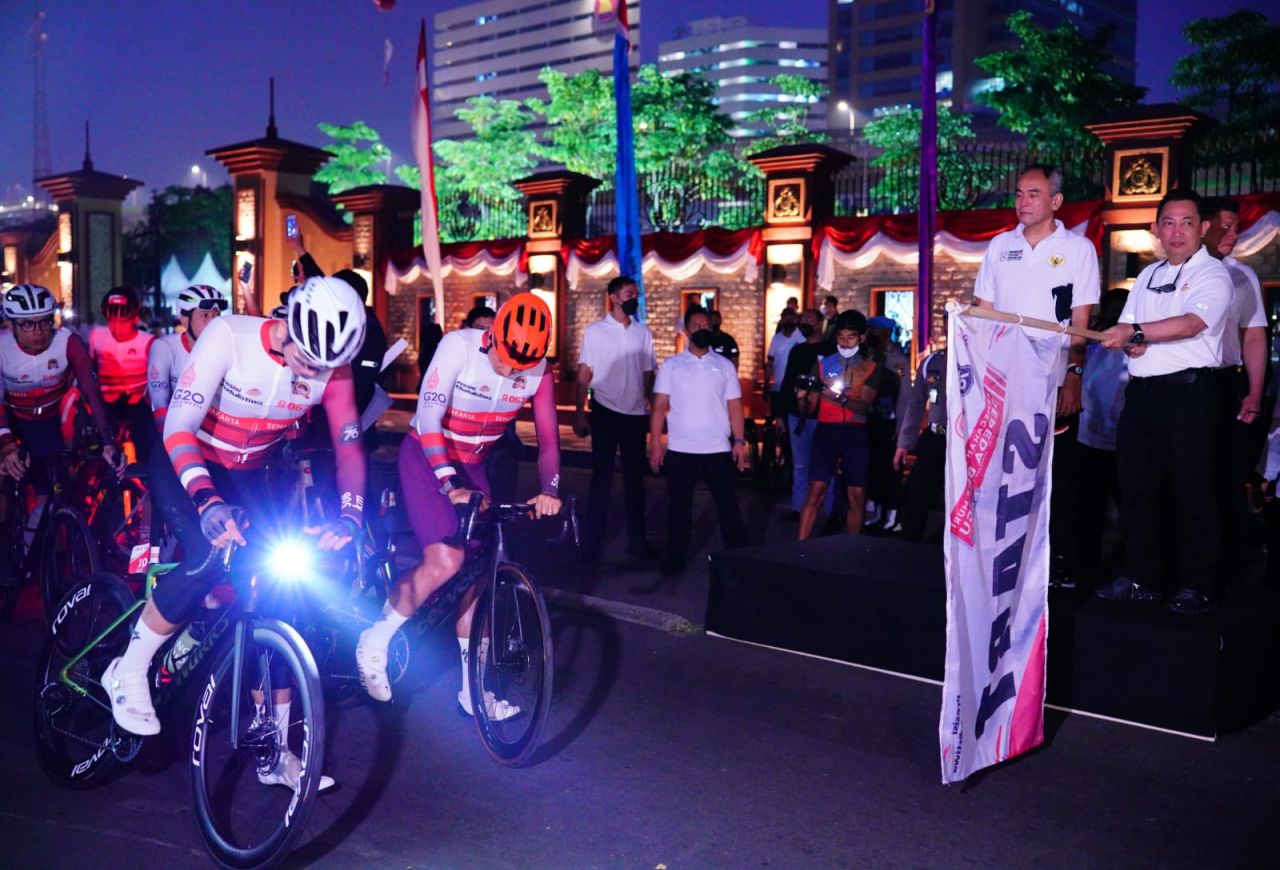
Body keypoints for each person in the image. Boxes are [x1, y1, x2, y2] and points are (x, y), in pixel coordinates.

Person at [101, 276, 368, 793]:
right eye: (307, 359)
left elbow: (350, 449)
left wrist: (351, 517)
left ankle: (275, 749)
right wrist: (207, 501)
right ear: (289, 327)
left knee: (284, 596)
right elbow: (177, 429)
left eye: (324, 367)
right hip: (189, 462)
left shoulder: (334, 368)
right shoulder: (227, 334)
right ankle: (128, 667)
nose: (312, 374)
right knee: (208, 556)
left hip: (250, 476)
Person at [356, 294, 561, 716]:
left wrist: (550, 489)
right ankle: (376, 638)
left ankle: (474, 691)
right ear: (492, 337)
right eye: (505, 360)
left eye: (522, 366)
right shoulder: (458, 347)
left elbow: (549, 441)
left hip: (474, 465)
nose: (511, 371)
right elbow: (428, 418)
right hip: (426, 457)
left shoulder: (538, 369)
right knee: (447, 560)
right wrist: (449, 484)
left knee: (479, 575)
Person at [1097, 189, 1232, 615]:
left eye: (1187, 222)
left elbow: (1192, 323)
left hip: (1190, 395)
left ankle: (1199, 585)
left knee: (1192, 489)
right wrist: (1131, 343)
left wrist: (1136, 332)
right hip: (1142, 397)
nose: (1176, 232)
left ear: (1203, 228)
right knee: (1136, 489)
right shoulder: (1149, 275)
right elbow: (1129, 331)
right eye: (1168, 223)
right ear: (1155, 230)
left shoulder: (1214, 274)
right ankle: (1142, 577)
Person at [974, 164, 1101, 589]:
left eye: (1032, 194)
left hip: (1050, 378)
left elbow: (1081, 320)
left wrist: (1074, 374)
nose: (1022, 202)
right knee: (1002, 467)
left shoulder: (1079, 249)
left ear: (1056, 202)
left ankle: (1057, 558)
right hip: (1003, 378)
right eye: (1018, 194)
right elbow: (983, 313)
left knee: (1053, 472)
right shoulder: (999, 246)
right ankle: (1001, 553)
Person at [0, 285, 118, 528]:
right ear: (11, 325)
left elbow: (91, 392)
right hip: (11, 419)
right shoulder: (2, 348)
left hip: (52, 419)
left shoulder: (68, 342)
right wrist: (7, 445)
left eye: (45, 322)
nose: (40, 332)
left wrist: (108, 442)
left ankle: (50, 538)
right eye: (28, 324)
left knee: (57, 486)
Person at [649, 306, 747, 575]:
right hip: (682, 448)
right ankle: (676, 558)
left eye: (706, 326)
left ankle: (738, 558)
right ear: (686, 330)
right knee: (679, 507)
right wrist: (656, 443)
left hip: (717, 447)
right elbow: (659, 407)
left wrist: (739, 441)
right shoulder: (672, 365)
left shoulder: (724, 366)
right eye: (696, 326)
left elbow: (735, 406)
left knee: (728, 505)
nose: (701, 330)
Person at [1201, 197, 1268, 583]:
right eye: (1224, 226)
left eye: (1236, 226)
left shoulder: (1242, 275)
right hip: (1176, 383)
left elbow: (1255, 335)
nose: (1233, 234)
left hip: (1225, 380)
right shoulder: (1171, 271)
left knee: (1225, 474)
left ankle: (1229, 566)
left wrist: (1255, 391)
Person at [575, 276, 657, 561]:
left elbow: (648, 373)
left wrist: (655, 410)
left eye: (636, 293)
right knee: (602, 479)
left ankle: (638, 542)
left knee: (636, 481)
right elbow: (585, 374)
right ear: (613, 296)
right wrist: (580, 412)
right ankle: (592, 544)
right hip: (605, 411)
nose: (634, 298)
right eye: (628, 293)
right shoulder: (595, 332)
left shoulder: (642, 333)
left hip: (635, 415)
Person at [797, 310, 881, 540]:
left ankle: (852, 548)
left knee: (857, 494)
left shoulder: (872, 366)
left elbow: (864, 406)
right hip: (827, 429)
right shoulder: (823, 364)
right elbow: (810, 409)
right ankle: (799, 548)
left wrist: (837, 397)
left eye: (850, 337)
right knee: (815, 492)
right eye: (841, 337)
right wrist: (802, 397)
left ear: (861, 337)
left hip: (856, 432)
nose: (845, 342)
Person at [1075, 289, 1129, 590]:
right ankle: (1086, 568)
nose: (1113, 316)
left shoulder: (1136, 350)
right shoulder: (1090, 349)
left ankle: (1132, 568)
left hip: (1125, 443)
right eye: (1110, 310)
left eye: (1119, 310)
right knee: (1089, 510)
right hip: (1090, 441)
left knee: (1131, 510)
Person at [147, 284, 227, 433]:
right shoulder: (164, 347)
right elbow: (159, 404)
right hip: (175, 430)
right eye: (204, 315)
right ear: (184, 319)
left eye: (216, 316)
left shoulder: (227, 347)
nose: (212, 322)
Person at [89, 287, 156, 459]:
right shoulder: (96, 337)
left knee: (146, 441)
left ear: (134, 318)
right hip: (107, 404)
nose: (117, 328)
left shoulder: (147, 341)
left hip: (138, 404)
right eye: (112, 322)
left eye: (123, 322)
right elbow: (89, 371)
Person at [779, 308, 835, 516]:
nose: (805, 323)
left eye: (810, 320)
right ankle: (799, 506)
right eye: (803, 320)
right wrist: (780, 414)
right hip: (798, 415)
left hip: (824, 414)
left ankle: (829, 508)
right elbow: (787, 383)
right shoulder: (797, 350)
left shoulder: (831, 350)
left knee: (826, 463)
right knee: (801, 463)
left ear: (820, 323)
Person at [894, 347, 947, 542]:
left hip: (968, 440)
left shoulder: (981, 358)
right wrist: (904, 443)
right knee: (917, 493)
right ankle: (909, 543)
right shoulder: (933, 362)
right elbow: (915, 405)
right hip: (937, 434)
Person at [863, 315, 907, 529]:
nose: (871, 335)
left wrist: (900, 427)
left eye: (875, 331)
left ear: (885, 333)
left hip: (889, 422)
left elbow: (904, 395)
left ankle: (893, 515)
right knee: (875, 469)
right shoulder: (871, 356)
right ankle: (879, 511)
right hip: (872, 419)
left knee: (891, 470)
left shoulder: (897, 359)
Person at [767, 308, 803, 417]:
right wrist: (767, 382)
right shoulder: (776, 338)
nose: (788, 321)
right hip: (779, 387)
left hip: (796, 388)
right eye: (785, 318)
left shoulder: (802, 338)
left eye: (791, 318)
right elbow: (770, 361)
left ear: (796, 320)